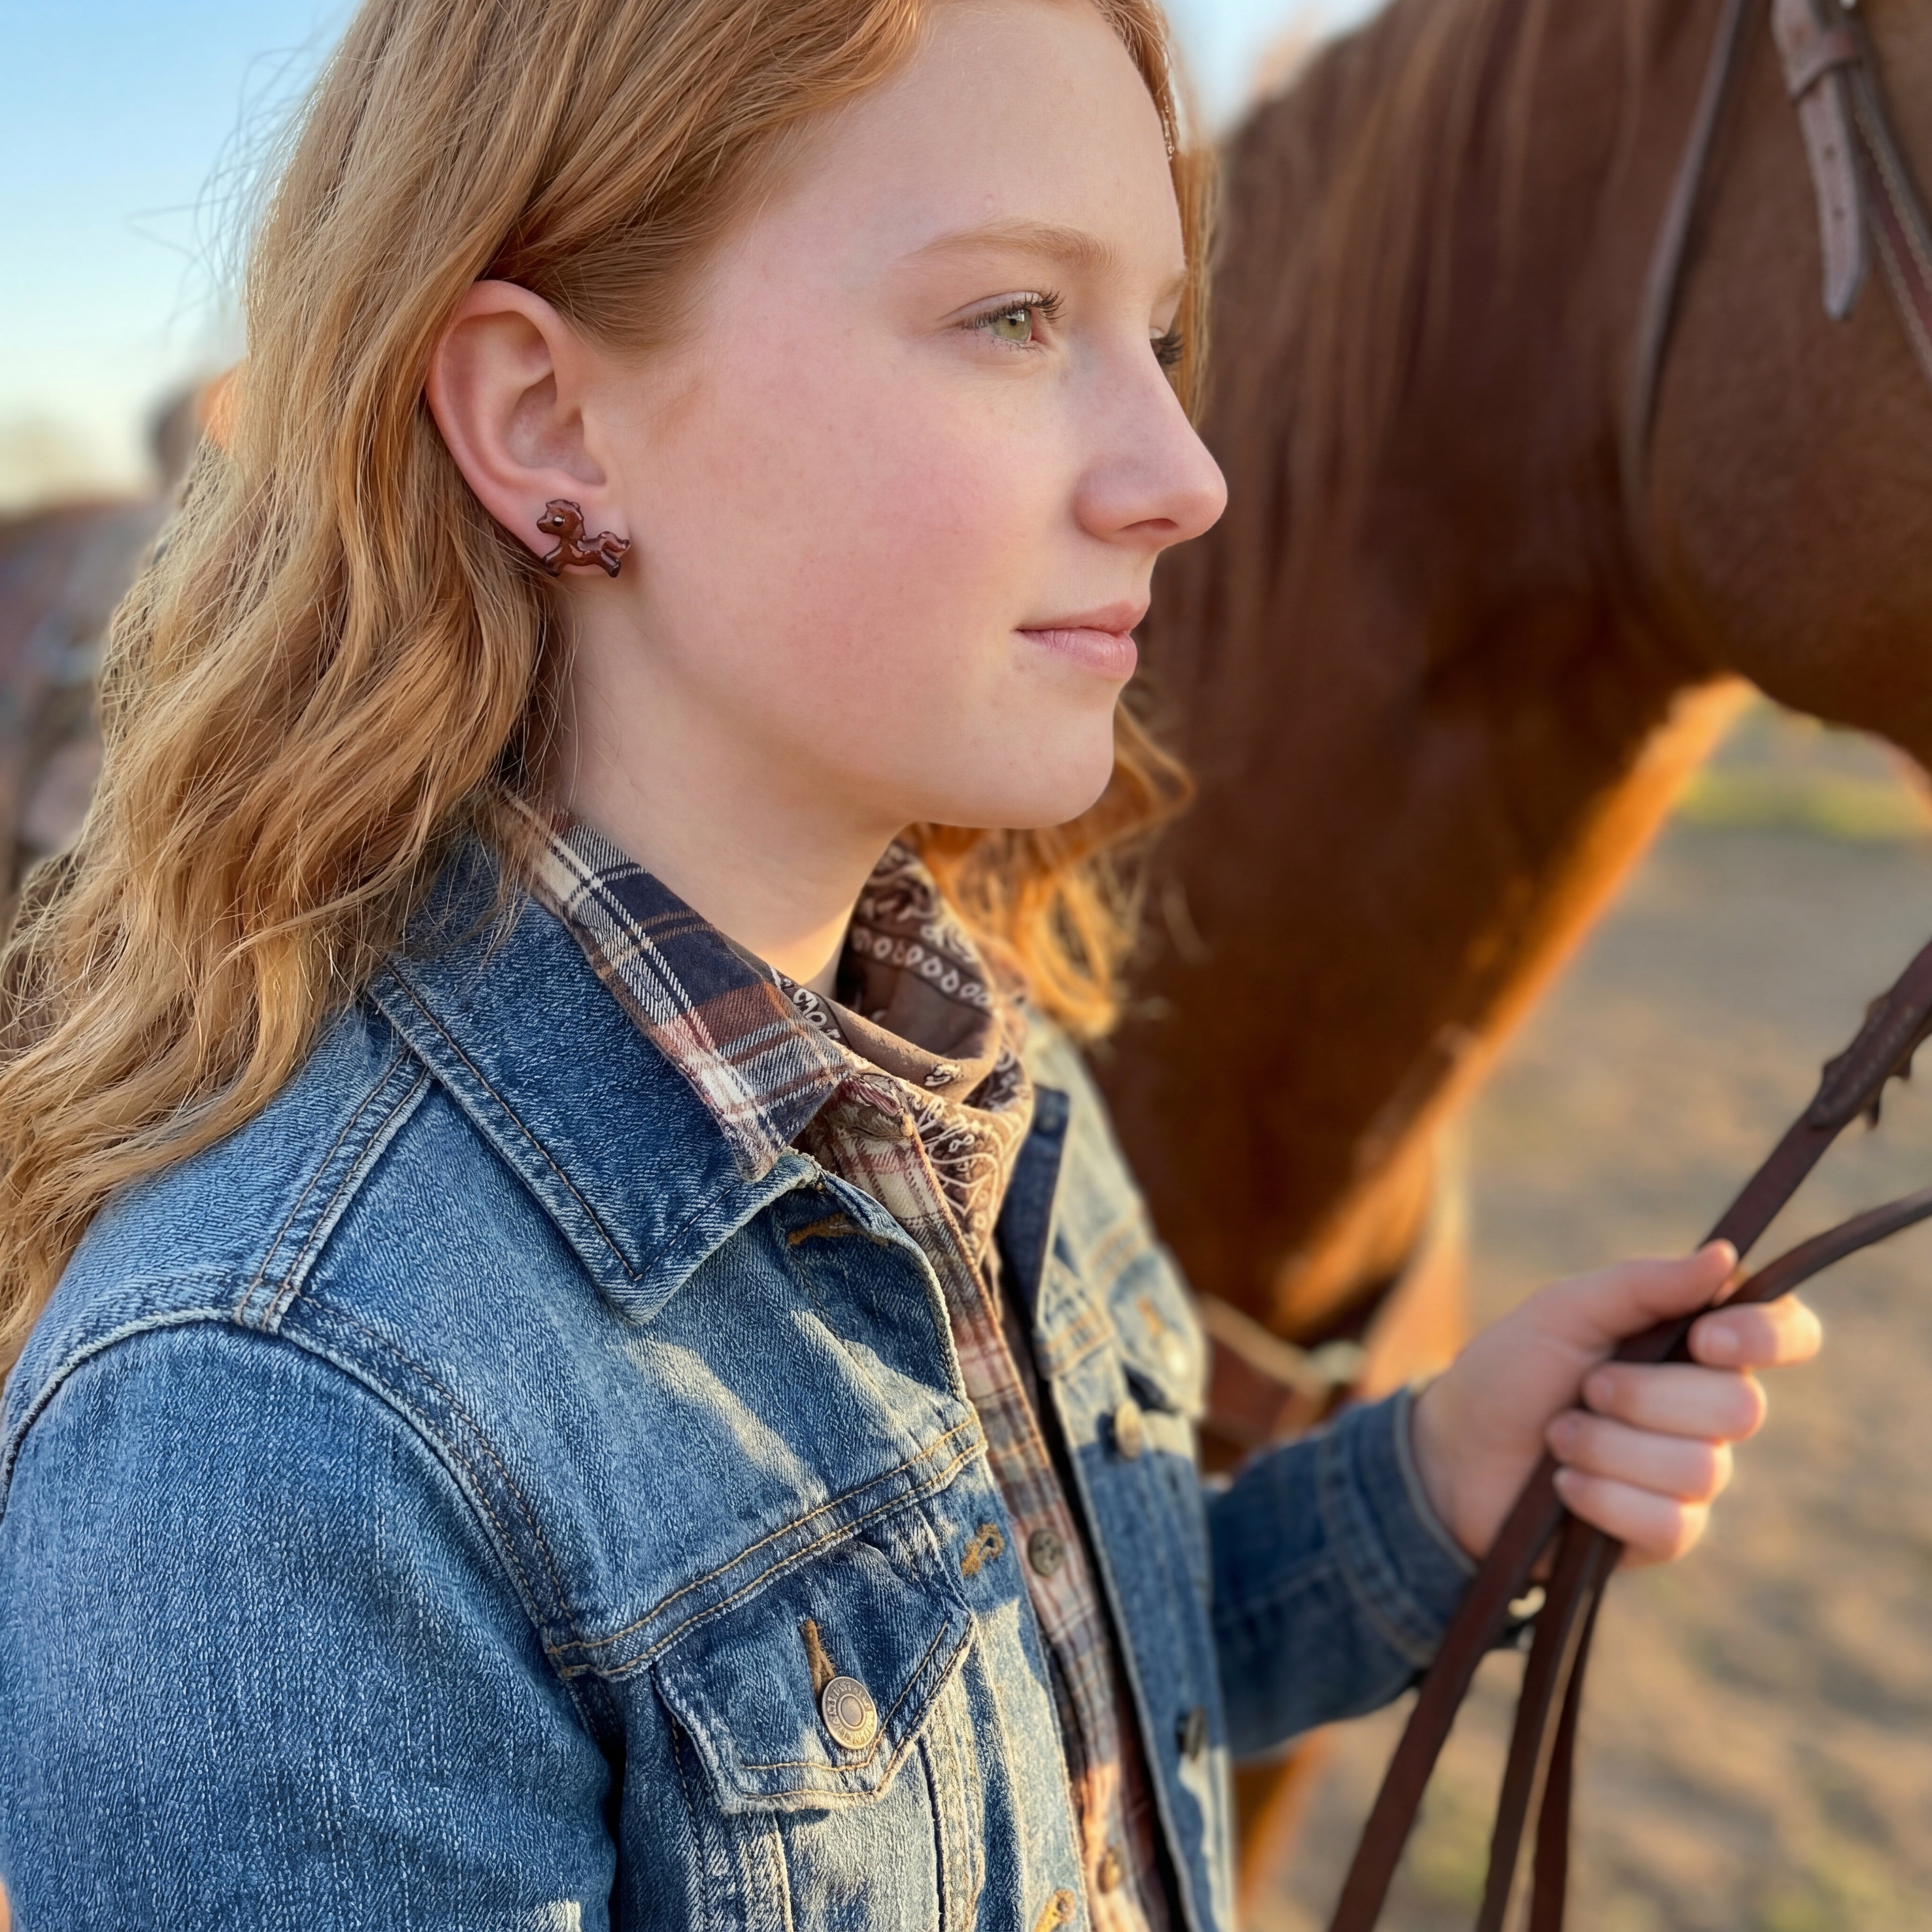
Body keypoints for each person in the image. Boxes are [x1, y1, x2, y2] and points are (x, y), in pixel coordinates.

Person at [0, 1, 1819, 1926]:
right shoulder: (275, 1437)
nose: (1185, 472)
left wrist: (1427, 1492)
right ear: (549, 419)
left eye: (1165, 338)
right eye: (1016, 316)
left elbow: (1054, 1684)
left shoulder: (972, 1075)